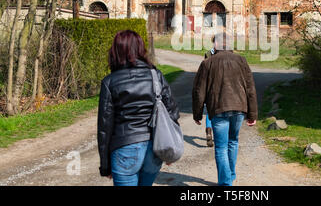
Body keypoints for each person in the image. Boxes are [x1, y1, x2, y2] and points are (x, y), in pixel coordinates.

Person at [97, 30, 180, 186]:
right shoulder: (156, 76)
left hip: (124, 148)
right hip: (153, 148)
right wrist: (170, 148)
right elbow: (172, 112)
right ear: (141, 49)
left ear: (115, 51)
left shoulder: (110, 82)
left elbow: (104, 126)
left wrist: (105, 165)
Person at [192, 33, 258, 186]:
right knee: (233, 141)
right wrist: (252, 114)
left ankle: (226, 182)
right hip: (239, 108)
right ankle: (230, 176)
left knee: (221, 147)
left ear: (216, 45)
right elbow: (250, 89)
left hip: (218, 109)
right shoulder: (241, 60)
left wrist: (197, 113)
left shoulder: (207, 63)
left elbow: (198, 90)